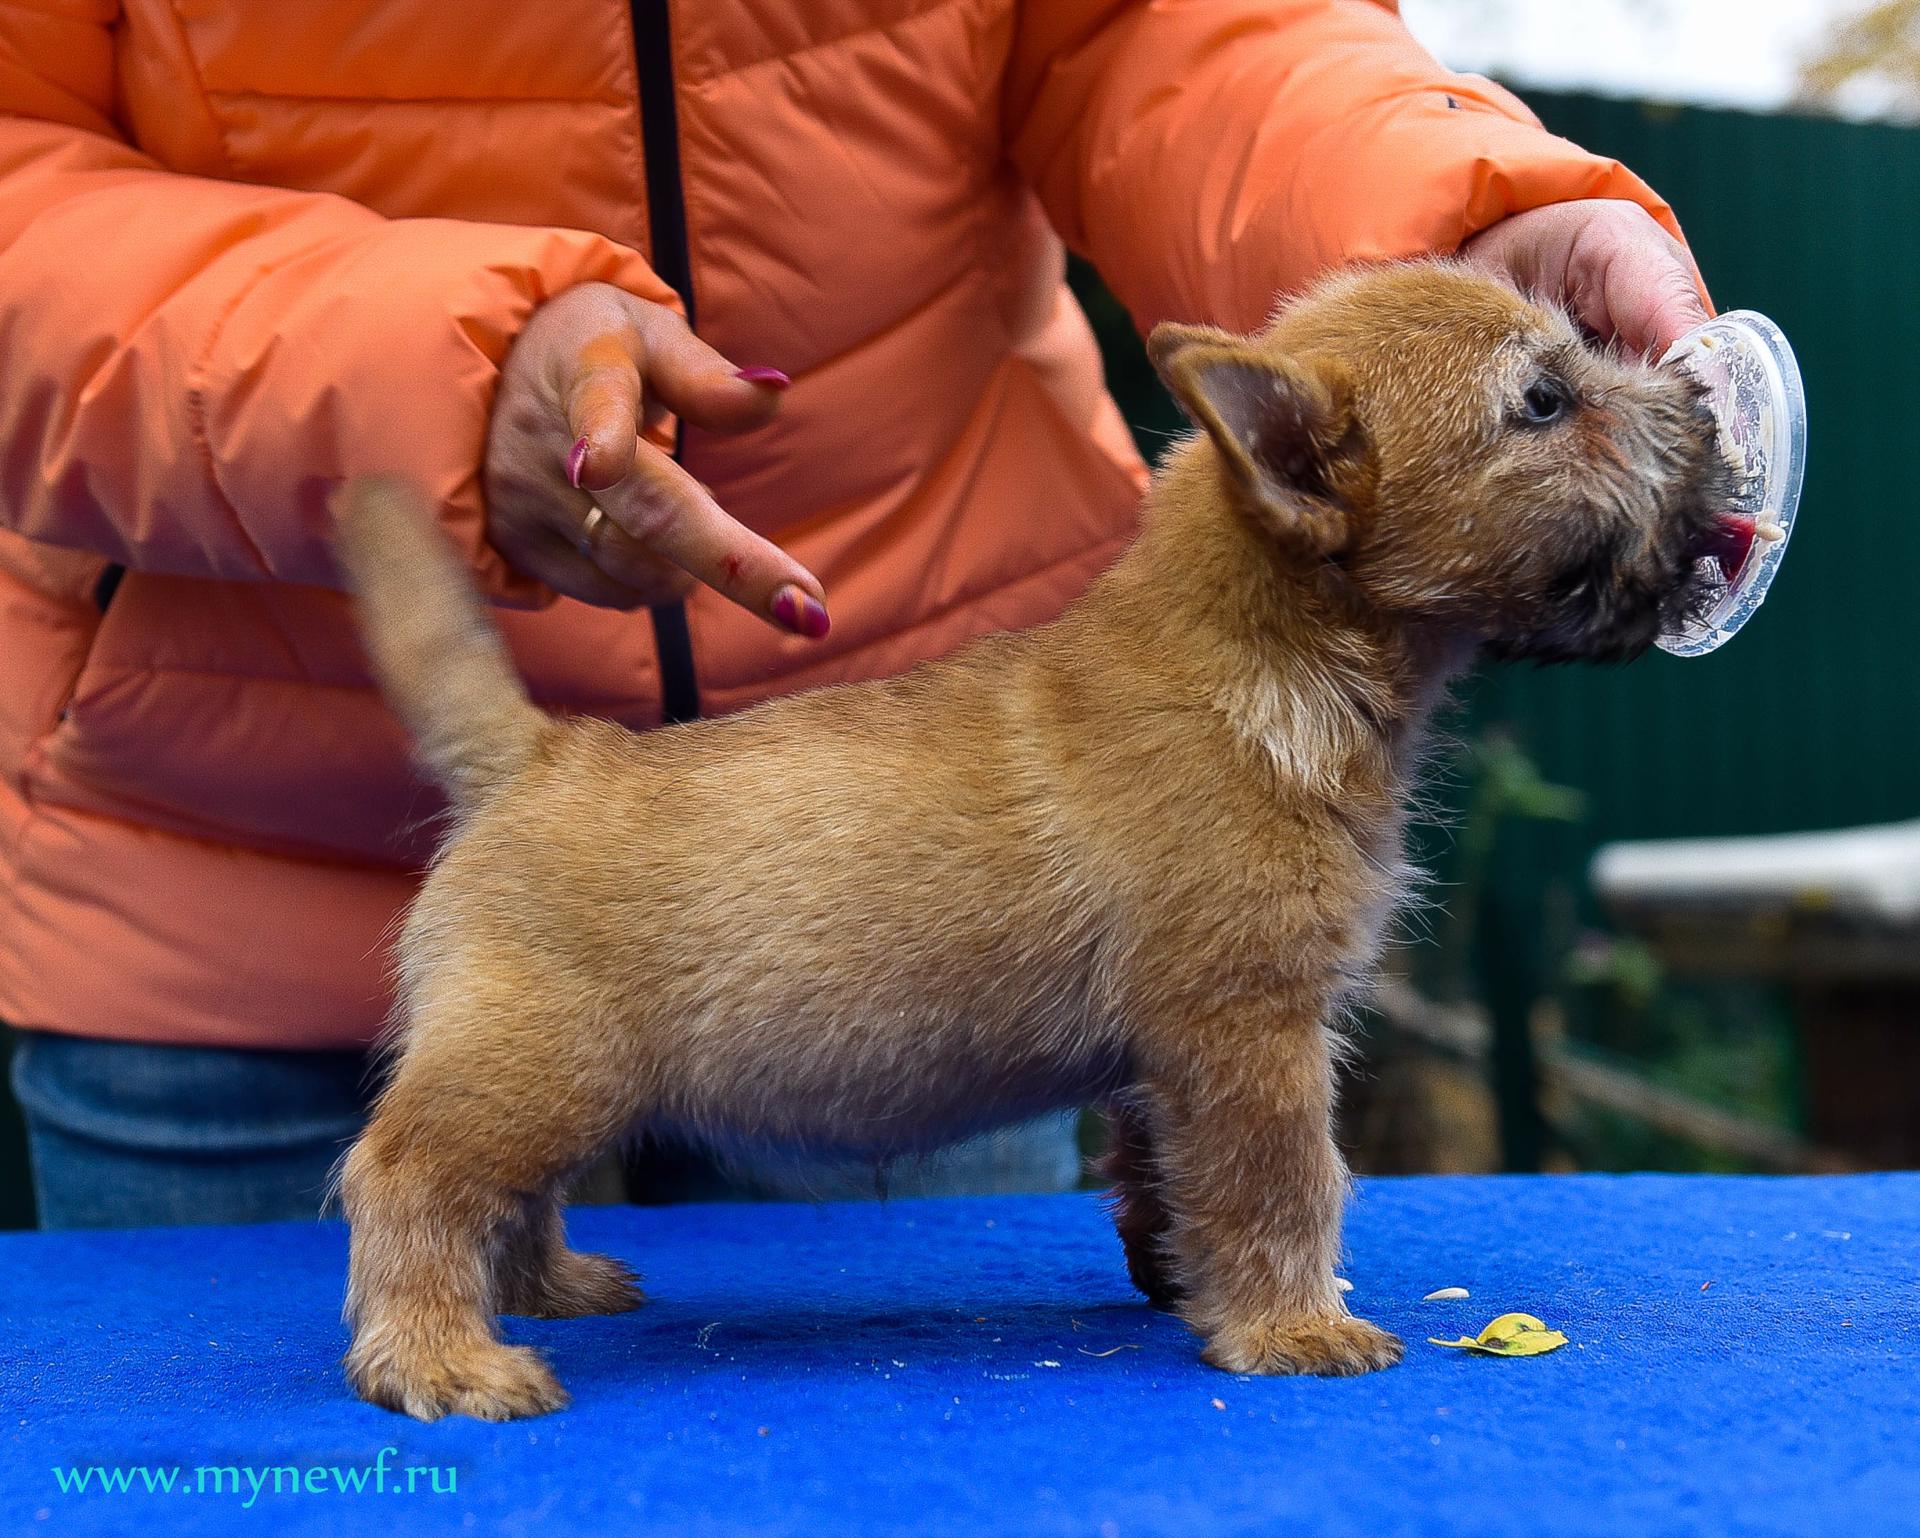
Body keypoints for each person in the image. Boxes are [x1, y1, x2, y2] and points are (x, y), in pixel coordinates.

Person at [0, 1, 1709, 1228]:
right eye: (1551, 411)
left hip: (947, 862)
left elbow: (1161, 33)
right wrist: (403, 374)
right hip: (217, 847)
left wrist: (1455, 209)